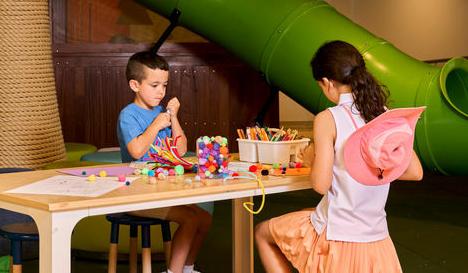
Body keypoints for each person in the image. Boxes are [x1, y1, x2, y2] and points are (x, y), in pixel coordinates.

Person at [254, 40, 425, 273]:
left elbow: (321, 185)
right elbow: (415, 172)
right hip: (377, 238)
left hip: (338, 237)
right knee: (308, 213)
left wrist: (312, 160)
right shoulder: (382, 113)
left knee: (262, 232)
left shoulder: (328, 118)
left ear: (327, 83)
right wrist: (374, 171)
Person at [117, 51, 213, 273]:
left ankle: (188, 269)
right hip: (138, 193)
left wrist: (174, 117)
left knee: (204, 219)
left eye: (165, 85)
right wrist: (156, 125)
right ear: (135, 85)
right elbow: (136, 151)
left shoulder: (162, 112)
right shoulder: (128, 115)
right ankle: (173, 272)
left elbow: (181, 150)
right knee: (190, 219)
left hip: (163, 188)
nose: (161, 91)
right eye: (154, 85)